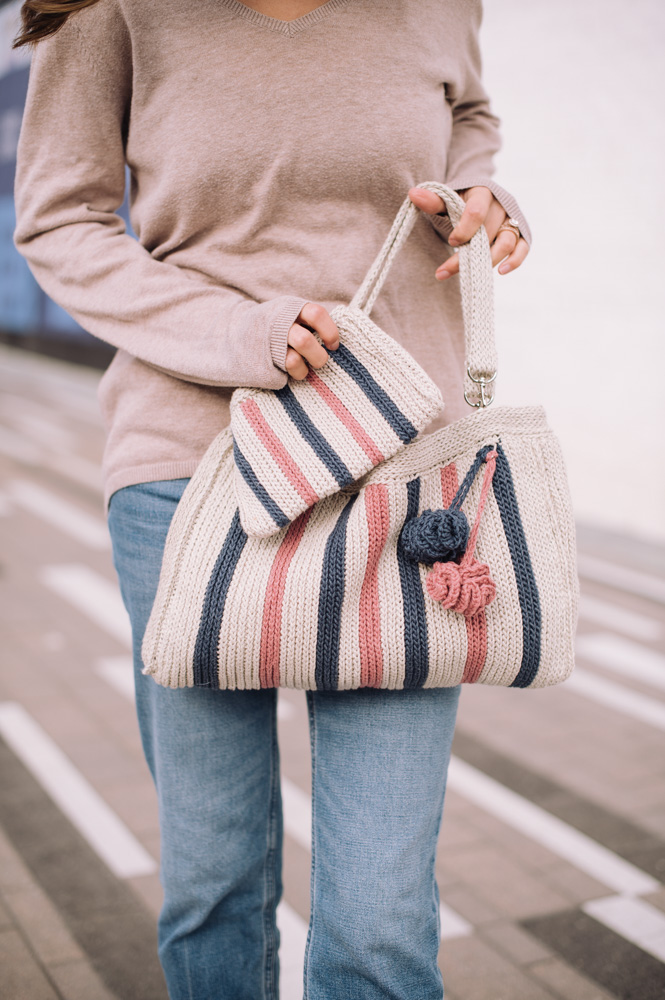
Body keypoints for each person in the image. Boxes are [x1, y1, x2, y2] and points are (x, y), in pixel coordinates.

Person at [13, 1, 530, 997]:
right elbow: (59, 220)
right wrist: (232, 331)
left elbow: (467, 113)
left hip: (402, 477)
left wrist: (479, 192)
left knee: (379, 921)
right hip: (195, 471)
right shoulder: (109, 11)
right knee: (214, 884)